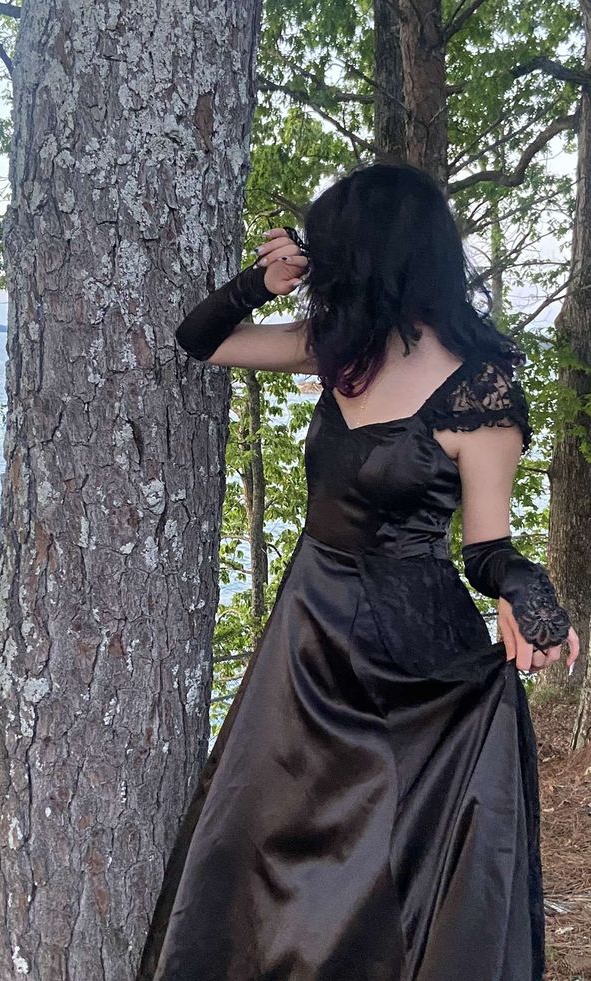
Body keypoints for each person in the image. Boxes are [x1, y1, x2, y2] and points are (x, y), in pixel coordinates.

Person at [137, 160, 580, 981]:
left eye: (332, 248)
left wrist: (527, 589)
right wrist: (261, 282)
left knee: (391, 862)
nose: (323, 265)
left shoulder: (480, 390)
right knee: (252, 841)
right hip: (307, 645)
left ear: (376, 254)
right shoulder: (337, 351)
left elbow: (485, 546)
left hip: (411, 660)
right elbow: (200, 340)